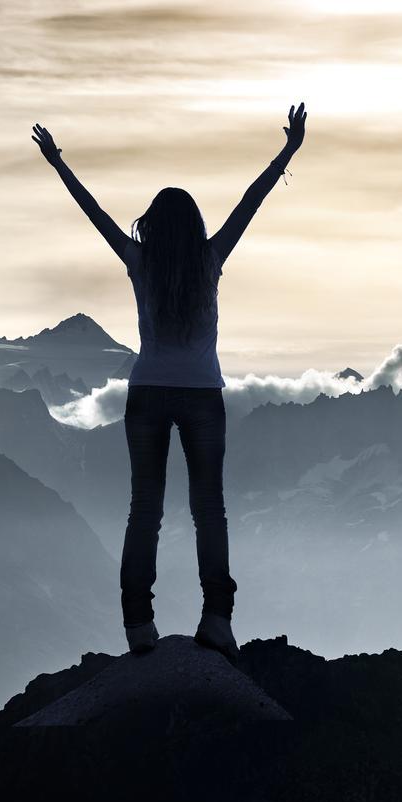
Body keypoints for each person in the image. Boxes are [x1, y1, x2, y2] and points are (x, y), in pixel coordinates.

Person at [34, 103, 302, 655]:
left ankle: (138, 625)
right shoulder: (210, 259)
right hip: (204, 395)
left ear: (153, 226)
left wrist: (58, 163)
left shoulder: (140, 261)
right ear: (195, 227)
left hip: (147, 394)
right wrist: (289, 150)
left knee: (145, 511)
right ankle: (218, 619)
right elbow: (252, 202)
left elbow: (96, 214)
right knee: (210, 511)